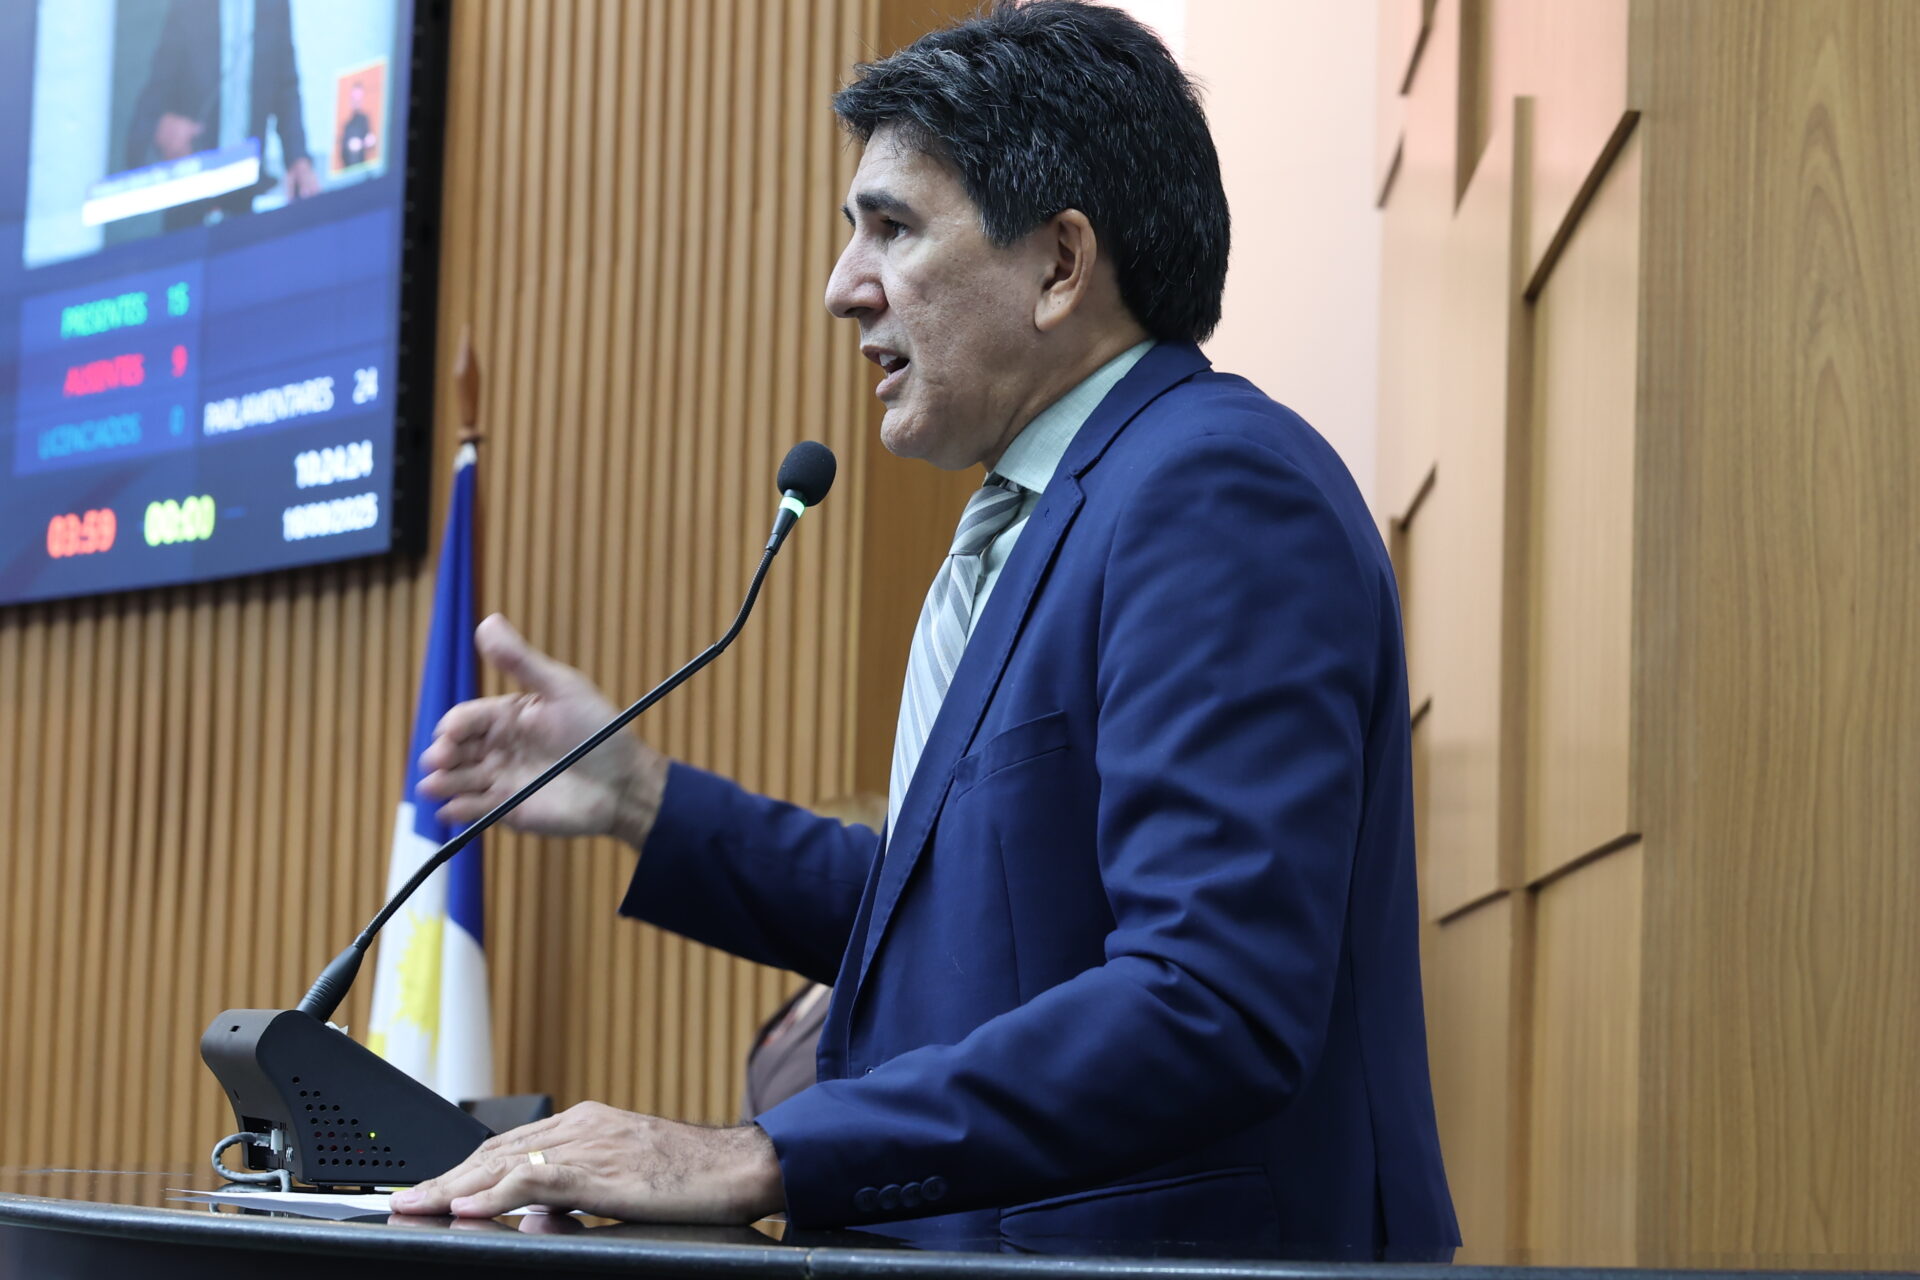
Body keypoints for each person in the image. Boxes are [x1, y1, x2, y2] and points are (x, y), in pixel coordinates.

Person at [394, 0, 1457, 1260]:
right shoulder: (1057, 510)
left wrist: (762, 1153)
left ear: (1061, 263)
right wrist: (641, 797)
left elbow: (1212, 994)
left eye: (890, 227)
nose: (842, 287)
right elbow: (965, 921)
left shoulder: (1213, 491)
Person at [125, 0, 320, 228]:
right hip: (192, 192)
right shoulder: (189, 7)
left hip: (249, 194)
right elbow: (155, 95)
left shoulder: (274, 5)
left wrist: (298, 159)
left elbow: (286, 88)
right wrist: (160, 129)